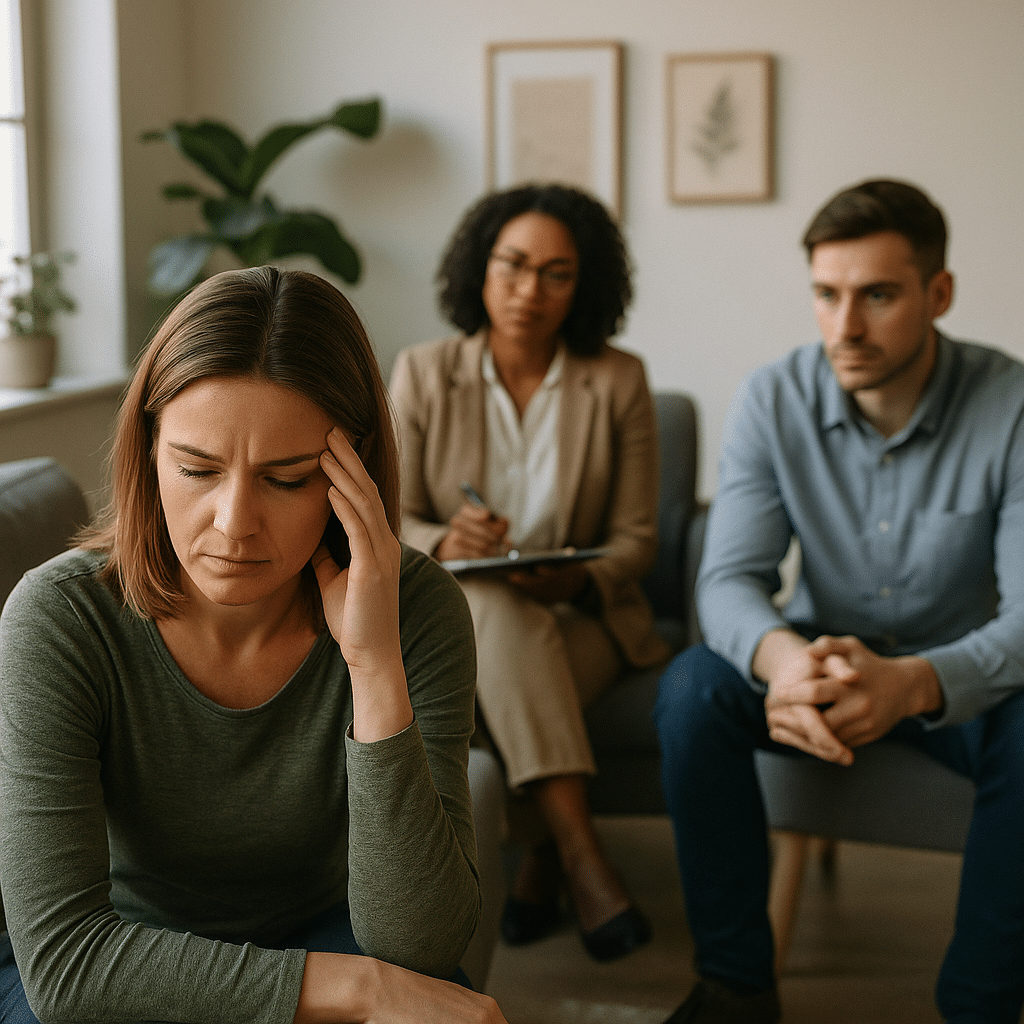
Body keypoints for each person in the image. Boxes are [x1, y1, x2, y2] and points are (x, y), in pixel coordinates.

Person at [0, 267, 507, 1024]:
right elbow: (69, 966)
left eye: (288, 478)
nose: (234, 523)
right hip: (124, 963)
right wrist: (361, 989)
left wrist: (372, 663)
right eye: (198, 469)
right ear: (148, 451)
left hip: (323, 935)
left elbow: (420, 944)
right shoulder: (61, 619)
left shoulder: (419, 605)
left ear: (352, 475)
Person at [654, 178, 1024, 1024]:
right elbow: (728, 580)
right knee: (692, 692)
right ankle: (737, 987)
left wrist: (911, 682)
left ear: (940, 294)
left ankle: (980, 1006)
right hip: (819, 652)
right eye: (826, 295)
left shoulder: (1012, 405)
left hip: (955, 667)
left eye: (877, 296)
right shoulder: (772, 398)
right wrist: (786, 664)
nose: (844, 327)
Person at [390, 183, 667, 962]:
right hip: (460, 617)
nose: (529, 291)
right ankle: (577, 855)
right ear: (480, 268)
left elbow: (637, 539)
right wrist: (448, 538)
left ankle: (554, 854)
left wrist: (574, 581)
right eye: (512, 266)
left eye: (557, 273)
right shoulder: (421, 372)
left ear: (585, 287)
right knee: (493, 611)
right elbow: (384, 517)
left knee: (509, 632)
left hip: (584, 620)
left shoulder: (618, 380)